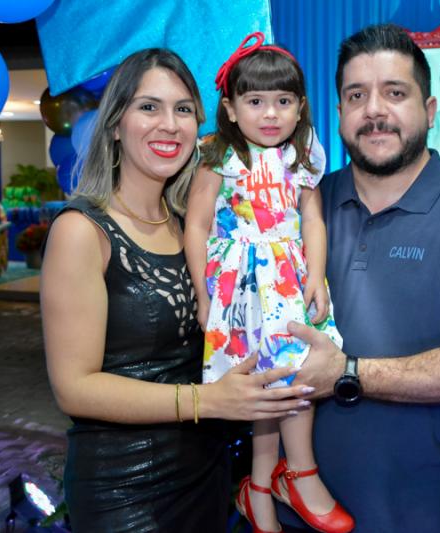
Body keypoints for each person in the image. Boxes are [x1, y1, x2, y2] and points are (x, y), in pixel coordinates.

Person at [40, 48, 314, 533]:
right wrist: (208, 402)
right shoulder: (82, 230)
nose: (169, 124)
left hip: (209, 475)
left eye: (183, 109)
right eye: (149, 107)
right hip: (125, 489)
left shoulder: (200, 228)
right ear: (115, 124)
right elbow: (74, 388)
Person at [281, 24, 440, 532]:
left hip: (408, 509)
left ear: (430, 110)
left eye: (395, 93)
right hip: (288, 505)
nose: (374, 111)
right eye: (357, 96)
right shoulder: (301, 206)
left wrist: (348, 372)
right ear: (339, 113)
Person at [185, 33, 354, 533]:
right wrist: (203, 295)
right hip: (239, 284)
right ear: (231, 108)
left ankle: (284, 478)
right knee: (265, 381)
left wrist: (316, 275)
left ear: (300, 107)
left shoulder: (301, 153)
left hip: (285, 278)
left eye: (283, 101)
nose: (270, 113)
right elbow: (196, 224)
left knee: (294, 370)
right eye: (255, 101)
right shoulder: (218, 154)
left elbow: (313, 219)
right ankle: (275, 482)